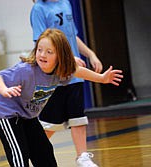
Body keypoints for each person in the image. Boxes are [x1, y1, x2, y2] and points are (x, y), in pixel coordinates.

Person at [0, 28, 123, 167]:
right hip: (5, 111)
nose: (42, 55)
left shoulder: (60, 70)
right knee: (19, 153)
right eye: (39, 50)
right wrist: (4, 90)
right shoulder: (26, 70)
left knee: (44, 151)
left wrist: (101, 78)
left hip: (27, 114)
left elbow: (78, 71)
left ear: (60, 56)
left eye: (49, 52)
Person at [30, 0, 103, 166]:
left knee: (78, 117)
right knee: (50, 123)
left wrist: (91, 54)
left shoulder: (66, 3)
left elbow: (72, 36)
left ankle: (82, 157)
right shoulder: (39, 9)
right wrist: (66, 59)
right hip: (56, 75)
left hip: (74, 73)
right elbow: (42, 44)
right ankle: (31, 150)